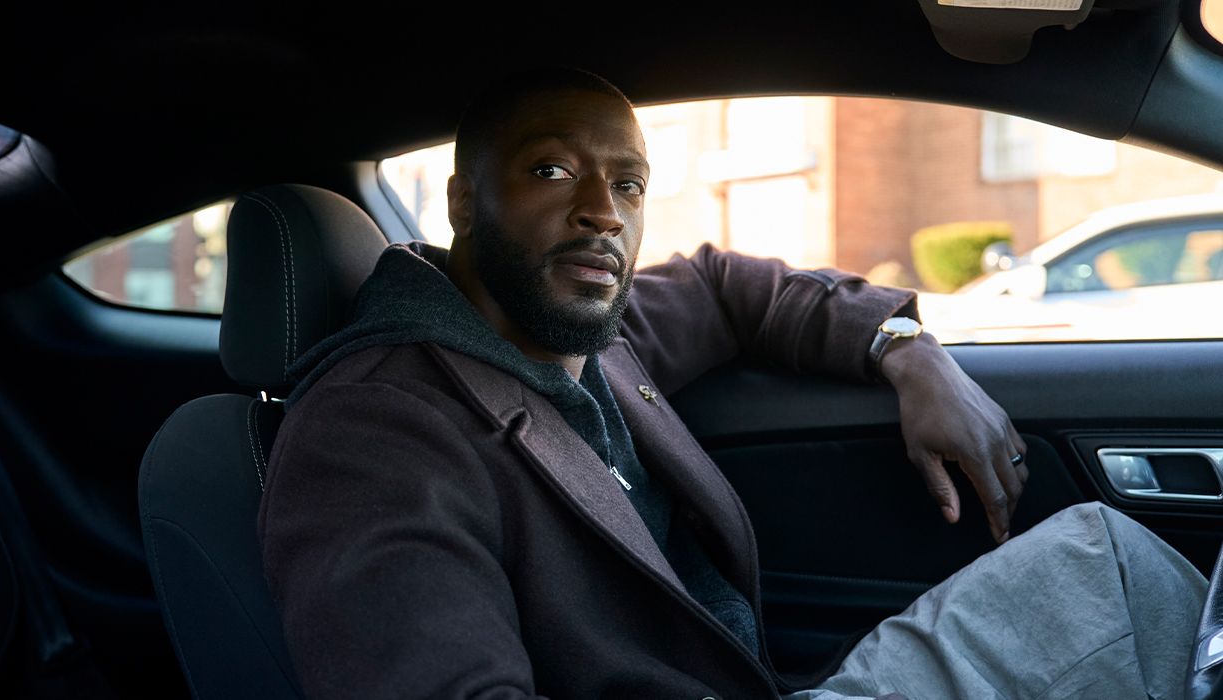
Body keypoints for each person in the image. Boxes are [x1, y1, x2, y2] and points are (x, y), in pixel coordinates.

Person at [257, 67, 1206, 699]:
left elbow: (725, 285)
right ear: (466, 201)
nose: (602, 212)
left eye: (628, 185)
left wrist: (907, 347)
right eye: (552, 170)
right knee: (1113, 578)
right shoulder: (372, 432)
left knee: (1108, 561)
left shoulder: (579, 326)